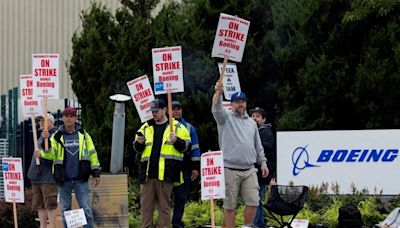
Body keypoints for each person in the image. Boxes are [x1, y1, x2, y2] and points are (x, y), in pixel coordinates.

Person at [211, 81, 269, 228]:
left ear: (246, 104)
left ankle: (247, 226)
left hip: (250, 169)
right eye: (237, 102)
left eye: (242, 101)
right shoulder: (224, 118)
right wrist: (218, 92)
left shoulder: (252, 123)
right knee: (230, 205)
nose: (240, 104)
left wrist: (263, 162)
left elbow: (257, 145)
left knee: (254, 201)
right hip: (230, 169)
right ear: (231, 105)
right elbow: (216, 109)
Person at [38, 107, 101, 228]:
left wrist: (96, 172)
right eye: (66, 116)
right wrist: (45, 143)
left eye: (71, 116)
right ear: (62, 118)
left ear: (75, 118)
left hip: (80, 179)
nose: (68, 118)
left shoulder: (84, 135)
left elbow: (92, 153)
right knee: (65, 211)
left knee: (86, 209)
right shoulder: (57, 136)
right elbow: (49, 155)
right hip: (63, 180)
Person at [133, 99, 191, 228]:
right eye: (152, 111)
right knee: (145, 209)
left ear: (164, 110)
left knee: (164, 209)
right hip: (147, 175)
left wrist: (176, 141)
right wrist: (139, 143)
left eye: (156, 111)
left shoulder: (177, 127)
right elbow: (136, 148)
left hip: (166, 175)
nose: (153, 114)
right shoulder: (145, 127)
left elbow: (187, 148)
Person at [171, 101, 201, 228]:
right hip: (166, 167)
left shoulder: (189, 128)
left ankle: (177, 223)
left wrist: (195, 168)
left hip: (184, 167)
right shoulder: (164, 126)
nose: (177, 111)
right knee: (164, 199)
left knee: (181, 197)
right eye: (174, 109)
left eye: (179, 109)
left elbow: (195, 148)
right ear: (168, 110)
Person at [27, 113, 58, 228]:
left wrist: (47, 142)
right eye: (40, 121)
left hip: (48, 177)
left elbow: (55, 154)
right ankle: (43, 226)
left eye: (43, 121)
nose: (41, 123)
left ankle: (52, 226)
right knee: (39, 204)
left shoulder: (55, 135)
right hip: (37, 176)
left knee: (50, 204)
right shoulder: (40, 136)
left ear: (51, 122)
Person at [250, 107, 275, 228]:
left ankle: (258, 224)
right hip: (254, 171)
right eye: (253, 116)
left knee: (256, 198)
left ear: (264, 119)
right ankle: (258, 222)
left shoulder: (266, 132)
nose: (254, 118)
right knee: (255, 199)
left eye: (257, 116)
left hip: (263, 172)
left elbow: (265, 148)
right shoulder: (251, 131)